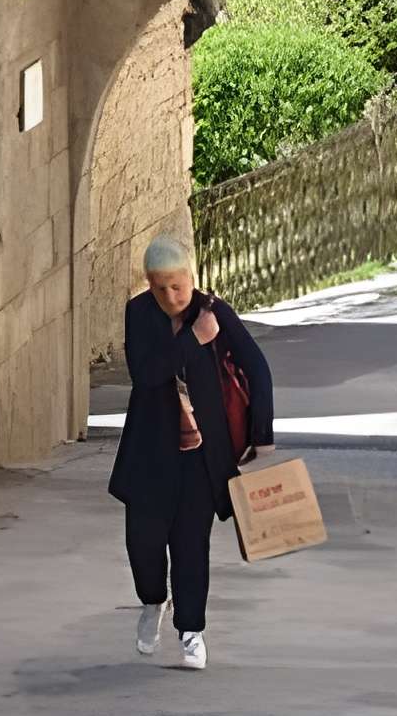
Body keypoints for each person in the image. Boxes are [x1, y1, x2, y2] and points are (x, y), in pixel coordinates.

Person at [108, 236, 274, 671]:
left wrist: (264, 435)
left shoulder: (215, 313)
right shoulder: (139, 314)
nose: (170, 296)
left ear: (191, 277)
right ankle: (151, 602)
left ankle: (191, 632)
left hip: (201, 457)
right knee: (142, 543)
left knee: (190, 545)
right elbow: (146, 375)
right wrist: (194, 341)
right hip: (148, 454)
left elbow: (256, 366)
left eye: (177, 286)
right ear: (148, 284)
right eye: (160, 287)